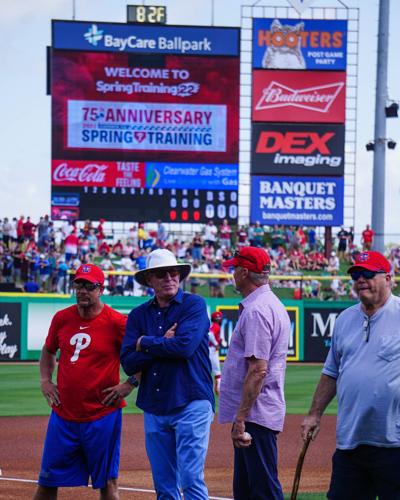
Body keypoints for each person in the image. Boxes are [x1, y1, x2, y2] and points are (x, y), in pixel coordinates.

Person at [301, 250, 400, 500]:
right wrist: (314, 414)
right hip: (351, 442)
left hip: (394, 443)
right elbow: (331, 372)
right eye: (356, 274)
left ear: (389, 279)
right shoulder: (345, 319)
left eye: (368, 273)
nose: (361, 279)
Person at [33, 263, 137, 500]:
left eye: (89, 286)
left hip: (102, 415)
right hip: (63, 414)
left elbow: (144, 356)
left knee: (108, 483)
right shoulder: (62, 318)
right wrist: (45, 380)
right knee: (47, 481)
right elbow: (48, 350)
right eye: (78, 284)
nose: (82, 290)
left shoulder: (116, 322)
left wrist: (130, 383)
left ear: (101, 290)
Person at [120, 249, 214, 500]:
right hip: (155, 405)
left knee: (191, 480)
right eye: (162, 274)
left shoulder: (194, 304)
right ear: (149, 279)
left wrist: (146, 342)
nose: (170, 278)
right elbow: (128, 362)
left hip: (191, 400)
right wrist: (162, 341)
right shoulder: (139, 314)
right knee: (164, 486)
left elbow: (184, 347)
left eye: (174, 272)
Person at [218, 247, 291, 500]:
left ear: (244, 272)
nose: (232, 272)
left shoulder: (257, 309)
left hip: (255, 415)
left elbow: (258, 370)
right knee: (248, 489)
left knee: (262, 490)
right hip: (258, 412)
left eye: (234, 268)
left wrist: (240, 418)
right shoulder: (269, 304)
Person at [208, 311, 223, 396]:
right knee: (217, 372)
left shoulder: (213, 325)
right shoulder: (216, 326)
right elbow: (210, 334)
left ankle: (213, 388)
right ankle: (218, 389)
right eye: (220, 318)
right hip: (212, 350)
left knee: (209, 370)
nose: (221, 319)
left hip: (209, 349)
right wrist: (216, 343)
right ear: (217, 319)